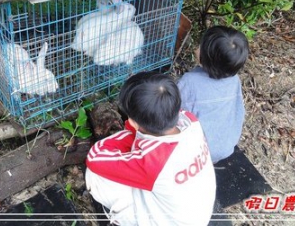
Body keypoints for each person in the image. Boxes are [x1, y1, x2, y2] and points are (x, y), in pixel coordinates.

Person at [85, 71, 216, 226]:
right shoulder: (191, 121)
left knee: (94, 176)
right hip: (197, 210)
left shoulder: (153, 161)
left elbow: (95, 156)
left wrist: (130, 131)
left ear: (133, 122)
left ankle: (124, 218)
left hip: (171, 221)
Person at [177, 25, 249, 164]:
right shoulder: (234, 80)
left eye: (200, 46)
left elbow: (173, 112)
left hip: (199, 152)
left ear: (206, 57)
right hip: (227, 145)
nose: (197, 48)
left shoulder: (189, 82)